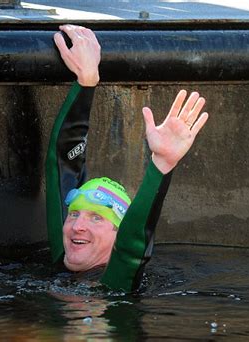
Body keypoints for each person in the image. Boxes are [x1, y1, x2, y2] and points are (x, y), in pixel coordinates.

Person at [46, 25, 209, 293]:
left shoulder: (116, 282)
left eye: (97, 218)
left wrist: (162, 165)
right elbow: (62, 163)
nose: (77, 225)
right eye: (74, 213)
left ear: (117, 236)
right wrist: (86, 81)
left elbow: (134, 241)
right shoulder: (63, 255)